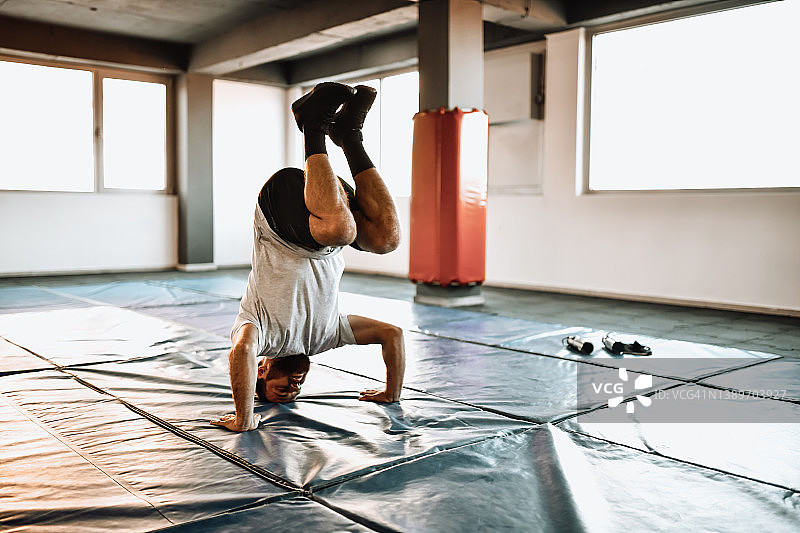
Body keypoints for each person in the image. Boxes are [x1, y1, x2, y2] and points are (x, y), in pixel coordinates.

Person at [211, 82, 405, 432]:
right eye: (297, 390)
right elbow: (393, 334)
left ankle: (312, 127)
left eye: (281, 390)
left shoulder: (263, 336)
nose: (294, 387)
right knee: (386, 238)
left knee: (340, 231)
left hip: (281, 214)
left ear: (263, 371)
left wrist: (244, 418)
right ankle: (349, 136)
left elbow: (241, 352)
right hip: (325, 208)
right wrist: (391, 394)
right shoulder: (327, 337)